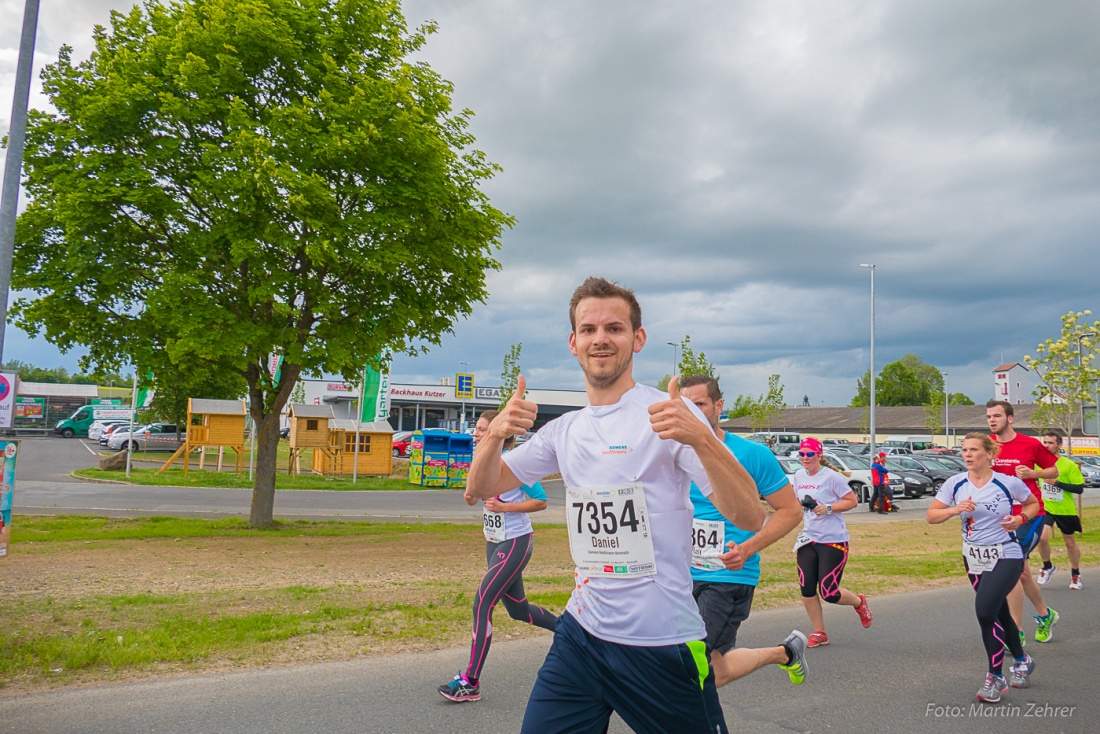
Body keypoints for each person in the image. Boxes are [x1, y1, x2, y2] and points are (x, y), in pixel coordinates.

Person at [467, 276, 766, 734]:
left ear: (637, 339)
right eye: (588, 329)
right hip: (582, 636)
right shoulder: (565, 430)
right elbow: (478, 488)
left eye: (614, 328)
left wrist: (701, 440)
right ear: (573, 342)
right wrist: (495, 437)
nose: (600, 338)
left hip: (662, 644)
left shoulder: (666, 416)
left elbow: (750, 515)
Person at [679, 375, 807, 687]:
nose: (693, 412)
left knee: (693, 667)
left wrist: (748, 549)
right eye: (686, 406)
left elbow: (791, 511)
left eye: (700, 405)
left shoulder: (751, 454)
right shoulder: (673, 452)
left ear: (718, 406)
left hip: (726, 576)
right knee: (714, 670)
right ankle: (786, 653)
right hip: (679, 575)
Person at [438, 410, 558, 703]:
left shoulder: (513, 464)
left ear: (498, 432)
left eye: (481, 429)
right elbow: (470, 499)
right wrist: (472, 487)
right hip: (494, 544)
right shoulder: (482, 460)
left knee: (482, 603)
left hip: (516, 543)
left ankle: (470, 682)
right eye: (476, 429)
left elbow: (541, 501)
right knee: (519, 610)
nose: (475, 433)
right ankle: (572, 632)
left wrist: (506, 508)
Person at [927, 433, 1039, 703]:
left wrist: (1020, 518)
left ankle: (995, 677)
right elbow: (932, 516)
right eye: (964, 450)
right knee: (998, 612)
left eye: (974, 449)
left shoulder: (1007, 482)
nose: (967, 454)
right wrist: (955, 510)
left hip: (1006, 553)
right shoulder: (955, 484)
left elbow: (1033, 503)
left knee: (985, 609)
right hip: (974, 556)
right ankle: (1023, 661)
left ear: (989, 454)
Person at [985, 400, 1060, 643]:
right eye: (989, 416)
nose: (992, 420)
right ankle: (1045, 614)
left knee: (1012, 570)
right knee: (1024, 573)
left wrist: (1032, 473)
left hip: (1030, 514)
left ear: (1010, 418)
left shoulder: (1029, 444)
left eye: (997, 415)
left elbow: (1053, 471)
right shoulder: (988, 445)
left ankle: (1015, 632)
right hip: (1000, 517)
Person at [791, 437, 873, 648]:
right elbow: (794, 500)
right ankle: (820, 632)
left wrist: (827, 508)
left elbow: (852, 501)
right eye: (802, 454)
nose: (805, 458)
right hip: (809, 538)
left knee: (829, 592)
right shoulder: (799, 476)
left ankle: (858, 602)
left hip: (833, 540)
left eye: (810, 454)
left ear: (819, 455)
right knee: (807, 588)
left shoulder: (831, 477)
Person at [1035, 431, 1086, 590]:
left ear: (1059, 445)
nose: (1047, 446)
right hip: (1046, 508)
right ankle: (1047, 566)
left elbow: (1079, 489)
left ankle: (1075, 574)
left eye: (1050, 443)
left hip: (1065, 510)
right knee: (1041, 538)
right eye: (1045, 442)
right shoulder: (1039, 464)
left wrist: (1057, 483)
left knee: (1069, 542)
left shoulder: (1068, 465)